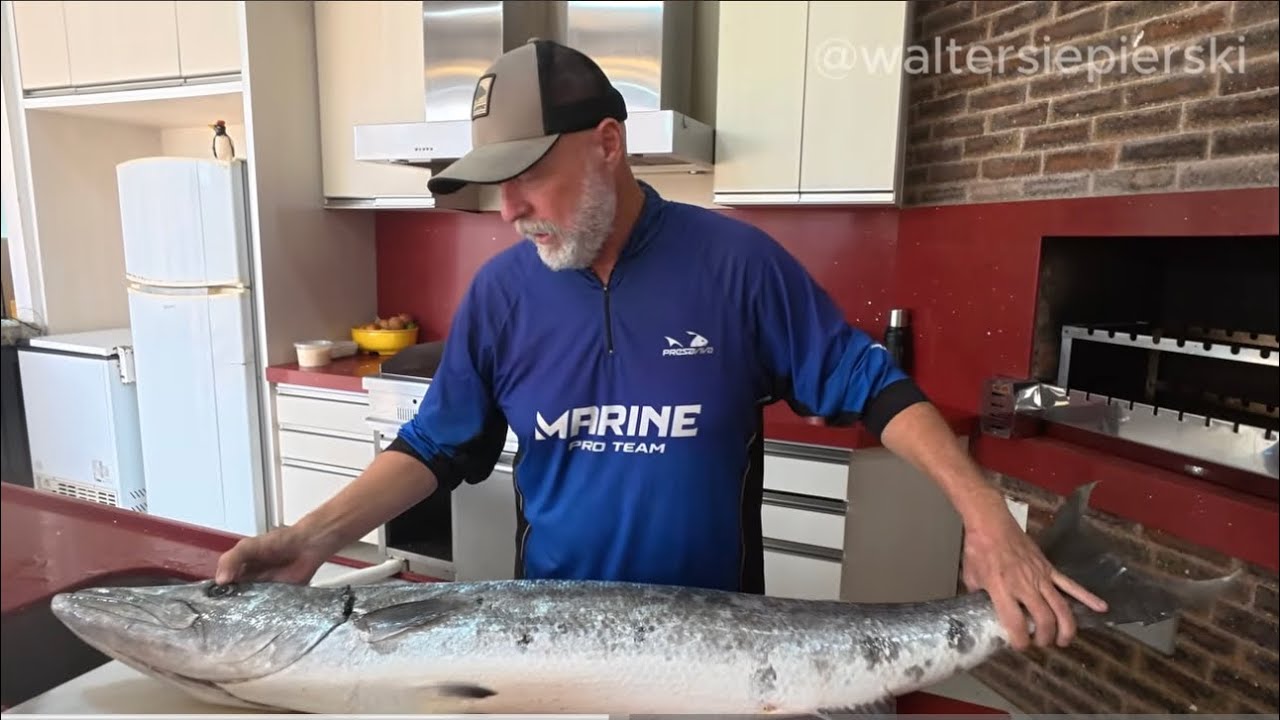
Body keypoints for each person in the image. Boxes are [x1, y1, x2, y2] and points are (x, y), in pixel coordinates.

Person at [216, 39, 1106, 651]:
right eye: (495, 186)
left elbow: (875, 388)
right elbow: (434, 446)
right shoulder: (500, 295)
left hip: (718, 641)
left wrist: (986, 518)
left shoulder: (738, 265)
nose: (508, 210)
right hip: (552, 637)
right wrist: (307, 537)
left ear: (608, 145)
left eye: (526, 176)